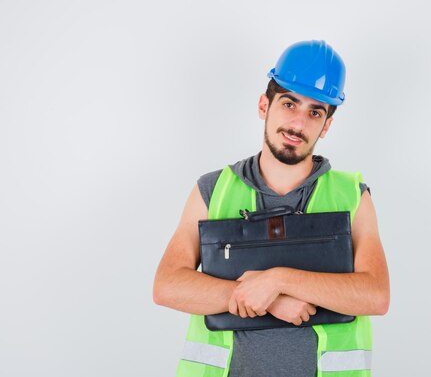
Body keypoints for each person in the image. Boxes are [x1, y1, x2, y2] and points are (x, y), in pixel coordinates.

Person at [153, 40, 390, 377]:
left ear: (326, 125)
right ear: (264, 105)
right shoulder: (213, 189)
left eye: (315, 112)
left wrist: (279, 280)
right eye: (289, 104)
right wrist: (267, 299)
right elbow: (168, 285)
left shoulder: (352, 195)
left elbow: (375, 295)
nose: (298, 124)